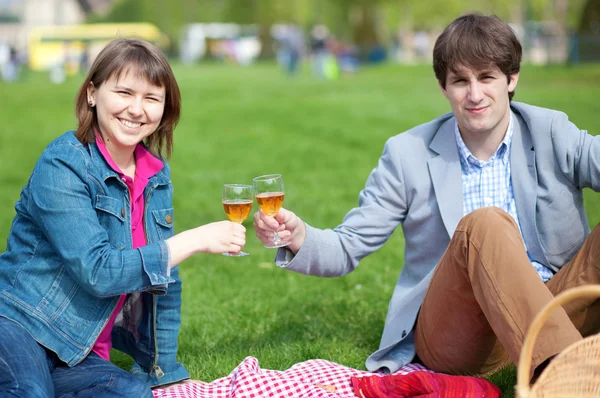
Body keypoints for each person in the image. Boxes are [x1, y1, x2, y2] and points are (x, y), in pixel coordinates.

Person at [254, 13, 600, 381]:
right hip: (464, 333)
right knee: (484, 224)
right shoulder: (408, 155)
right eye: (460, 81)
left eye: (486, 78)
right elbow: (348, 245)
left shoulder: (551, 131)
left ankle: (557, 357)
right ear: (443, 87)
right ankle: (564, 376)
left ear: (511, 79)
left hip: (556, 304)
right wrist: (298, 237)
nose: (475, 94)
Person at [0, 38, 246, 397]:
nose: (137, 109)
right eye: (125, 92)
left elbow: (165, 283)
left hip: (77, 349)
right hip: (20, 323)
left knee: (133, 392)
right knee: (28, 391)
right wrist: (194, 240)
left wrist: (165, 371)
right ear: (92, 94)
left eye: (151, 98)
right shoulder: (64, 163)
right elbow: (98, 272)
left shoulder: (155, 175)